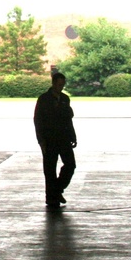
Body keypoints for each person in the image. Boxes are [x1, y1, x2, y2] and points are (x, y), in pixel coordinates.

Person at [33, 71, 77, 209]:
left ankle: (56, 190)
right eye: (59, 85)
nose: (61, 88)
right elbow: (38, 120)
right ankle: (51, 198)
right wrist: (41, 140)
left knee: (70, 165)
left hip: (63, 137)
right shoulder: (44, 99)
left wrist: (73, 136)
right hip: (49, 139)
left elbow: (68, 119)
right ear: (53, 84)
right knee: (50, 170)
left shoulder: (65, 99)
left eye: (63, 85)